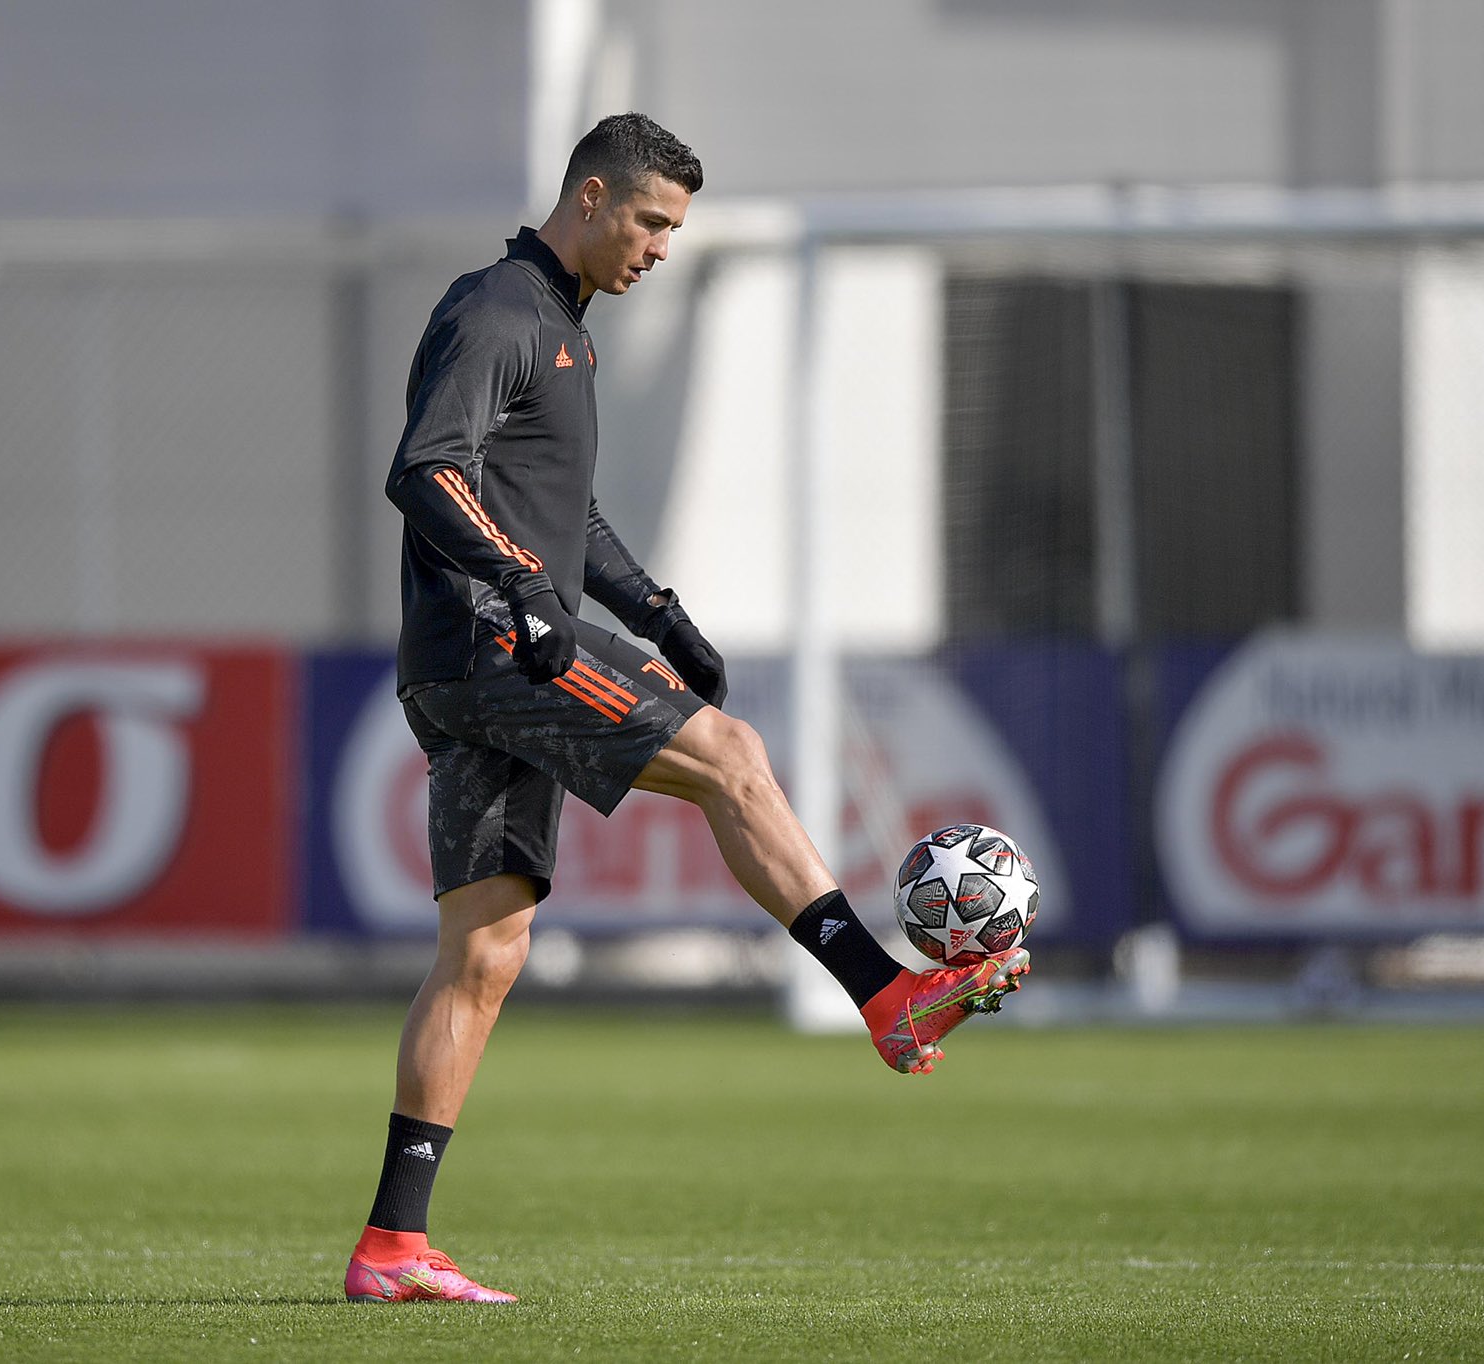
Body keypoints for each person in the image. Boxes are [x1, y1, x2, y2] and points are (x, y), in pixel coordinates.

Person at [344, 112, 1029, 1305]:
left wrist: (655, 611)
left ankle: (392, 1244)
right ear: (592, 194)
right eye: (653, 220)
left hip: (462, 660)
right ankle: (885, 992)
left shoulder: (561, 329)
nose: (662, 246)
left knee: (485, 953)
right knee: (733, 757)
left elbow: (558, 507)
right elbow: (425, 469)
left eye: (674, 228)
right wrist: (522, 590)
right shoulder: (502, 307)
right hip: (500, 645)